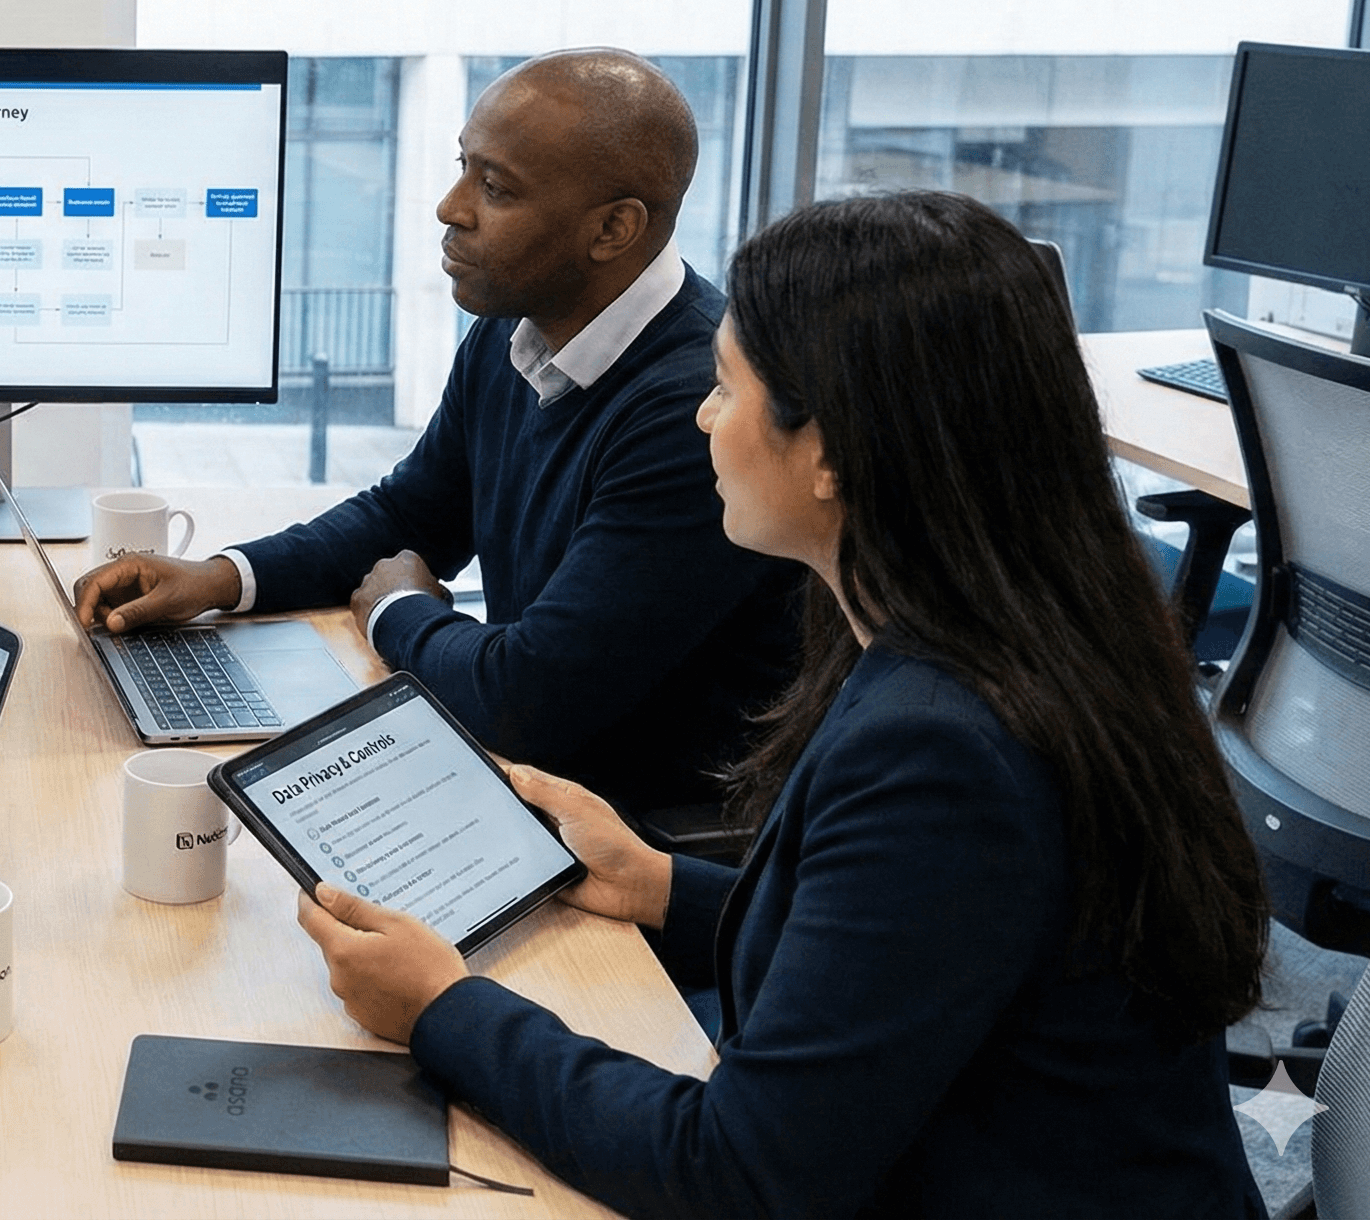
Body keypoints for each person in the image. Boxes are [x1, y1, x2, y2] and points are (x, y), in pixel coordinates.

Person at [296, 191, 1271, 1217]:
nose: (700, 417)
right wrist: (663, 886)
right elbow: (919, 950)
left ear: (833, 452)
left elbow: (740, 1178)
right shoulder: (1010, 630)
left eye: (724, 387)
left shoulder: (942, 752)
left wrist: (442, 1008)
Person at [74, 48, 799, 811]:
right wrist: (221, 579)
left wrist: (397, 611)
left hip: (627, 833)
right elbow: (409, 515)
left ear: (614, 229)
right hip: (523, 776)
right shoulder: (518, 326)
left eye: (495, 187)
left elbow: (526, 698)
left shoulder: (695, 409)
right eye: (464, 167)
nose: (451, 207)